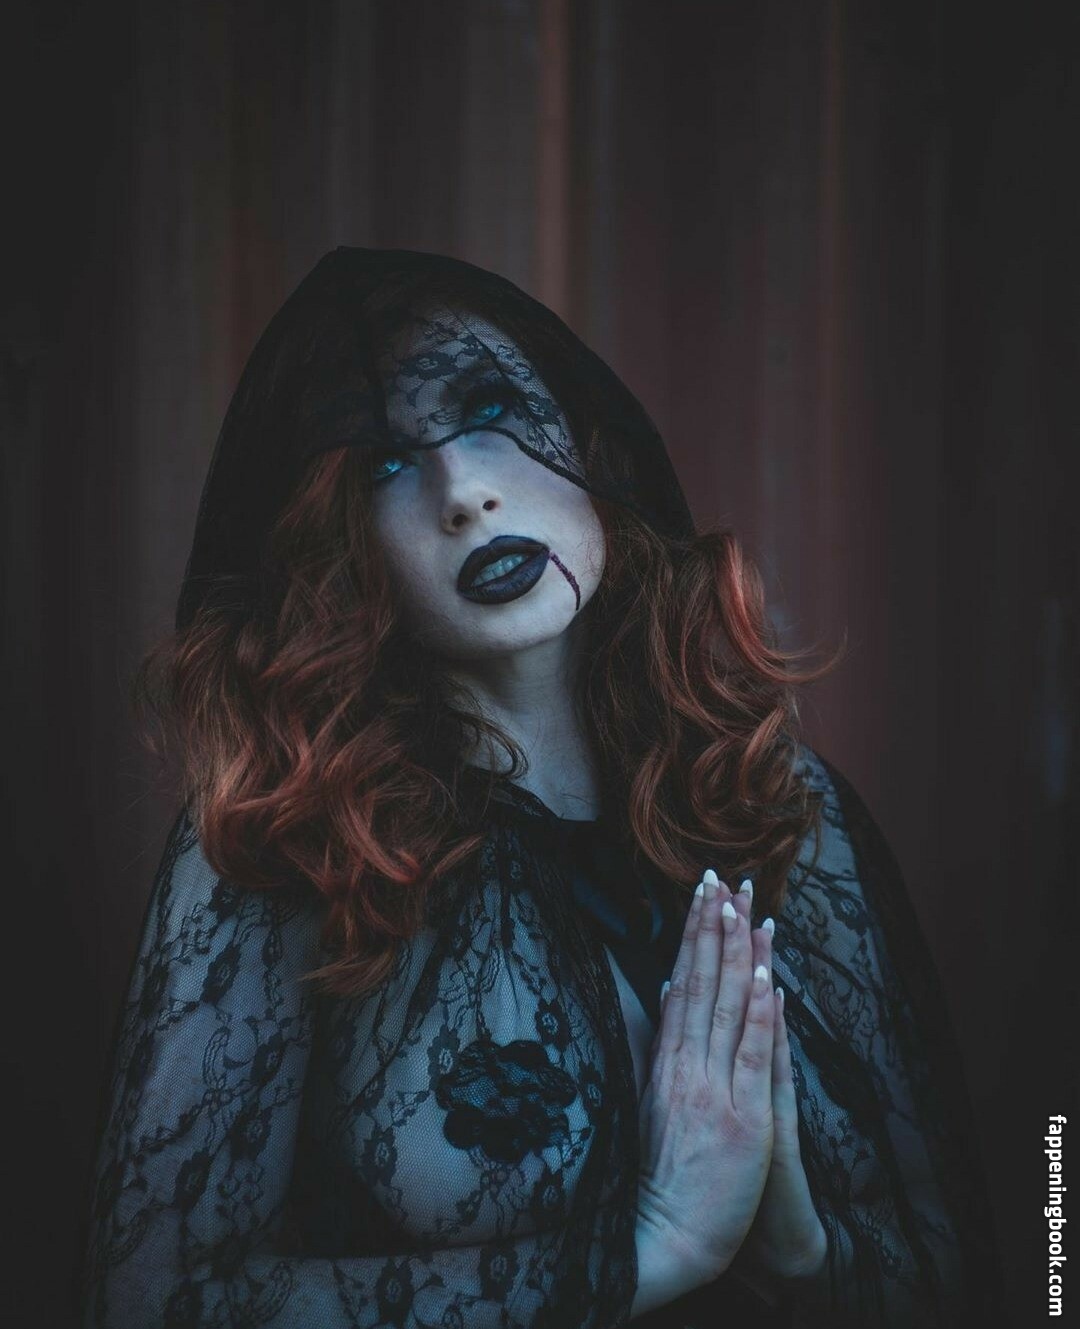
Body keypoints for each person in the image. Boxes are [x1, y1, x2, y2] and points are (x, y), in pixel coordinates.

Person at [78, 248, 1006, 1328]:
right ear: (337, 548)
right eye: (386, 465)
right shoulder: (286, 841)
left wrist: (799, 1248)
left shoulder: (775, 799)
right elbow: (156, 1298)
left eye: (492, 411)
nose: (464, 494)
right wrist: (651, 1249)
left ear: (589, 442)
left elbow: (966, 1264)